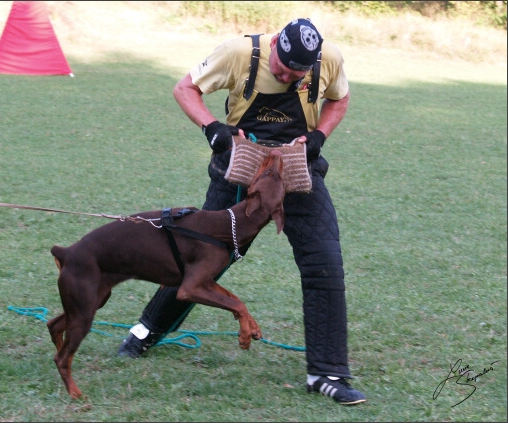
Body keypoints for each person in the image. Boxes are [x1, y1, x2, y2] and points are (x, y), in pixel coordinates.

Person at [118, 18, 366, 405]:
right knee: (204, 260)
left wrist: (318, 137)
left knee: (325, 262)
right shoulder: (239, 53)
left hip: (298, 172)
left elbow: (340, 97)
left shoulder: (329, 60)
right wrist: (212, 128)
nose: (286, 76)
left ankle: (327, 373)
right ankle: (145, 331)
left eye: (296, 74)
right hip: (239, 168)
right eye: (281, 68)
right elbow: (185, 88)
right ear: (275, 48)